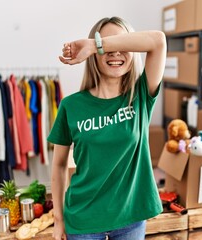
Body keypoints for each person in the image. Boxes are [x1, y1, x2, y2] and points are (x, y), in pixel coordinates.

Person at [48, 16, 167, 240]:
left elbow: (158, 41)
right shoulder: (71, 106)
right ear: (94, 57)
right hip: (83, 220)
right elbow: (59, 165)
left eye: (122, 44)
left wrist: (96, 44)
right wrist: (58, 220)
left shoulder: (140, 95)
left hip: (130, 218)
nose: (115, 52)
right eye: (107, 45)